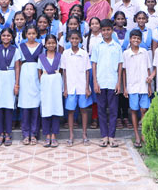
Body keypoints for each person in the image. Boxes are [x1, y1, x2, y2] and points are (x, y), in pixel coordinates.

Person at [91, 19, 123, 148]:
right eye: (103, 30)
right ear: (100, 31)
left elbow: (120, 65)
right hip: (101, 82)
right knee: (101, 110)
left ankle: (112, 136)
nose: (106, 32)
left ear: (112, 30)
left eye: (108, 29)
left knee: (114, 110)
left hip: (113, 82)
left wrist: (119, 82)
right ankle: (104, 136)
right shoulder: (97, 46)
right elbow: (94, 65)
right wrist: (95, 82)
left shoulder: (117, 47)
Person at [61, 29, 92, 146]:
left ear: (80, 40)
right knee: (70, 111)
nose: (74, 40)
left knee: (83, 110)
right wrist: (65, 88)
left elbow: (87, 71)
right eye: (72, 38)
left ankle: (84, 134)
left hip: (82, 86)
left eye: (76, 38)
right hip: (70, 86)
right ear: (69, 39)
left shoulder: (84, 54)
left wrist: (87, 87)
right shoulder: (65, 53)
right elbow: (64, 71)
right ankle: (71, 135)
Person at [122, 29, 152, 148]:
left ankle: (144, 133)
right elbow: (124, 72)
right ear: (130, 39)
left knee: (144, 110)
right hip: (132, 86)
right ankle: (137, 135)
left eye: (138, 38)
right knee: (134, 110)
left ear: (141, 40)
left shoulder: (144, 52)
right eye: (134, 38)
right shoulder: (126, 53)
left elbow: (149, 68)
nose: (136, 40)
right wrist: (124, 87)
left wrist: (150, 86)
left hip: (143, 85)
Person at [0, 28, 21, 146]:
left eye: (8, 35)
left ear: (12, 37)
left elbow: (18, 67)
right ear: (0, 37)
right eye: (4, 35)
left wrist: (17, 84)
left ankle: (8, 133)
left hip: (10, 77)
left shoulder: (15, 50)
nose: (6, 38)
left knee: (9, 106)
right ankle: (0, 134)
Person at [18, 26, 43, 145]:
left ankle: (34, 133)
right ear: (25, 34)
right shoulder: (21, 46)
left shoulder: (41, 46)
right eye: (29, 33)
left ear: (37, 34)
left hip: (36, 74)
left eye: (34, 33)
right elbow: (18, 63)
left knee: (35, 106)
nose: (31, 36)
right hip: (25, 74)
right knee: (25, 106)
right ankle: (25, 133)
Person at [38, 34, 64, 148]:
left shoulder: (59, 56)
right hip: (45, 83)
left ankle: (54, 135)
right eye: (49, 43)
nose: (51, 45)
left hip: (56, 84)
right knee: (46, 108)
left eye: (53, 43)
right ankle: (47, 135)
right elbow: (39, 72)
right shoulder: (41, 57)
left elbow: (62, 70)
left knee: (55, 108)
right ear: (45, 44)